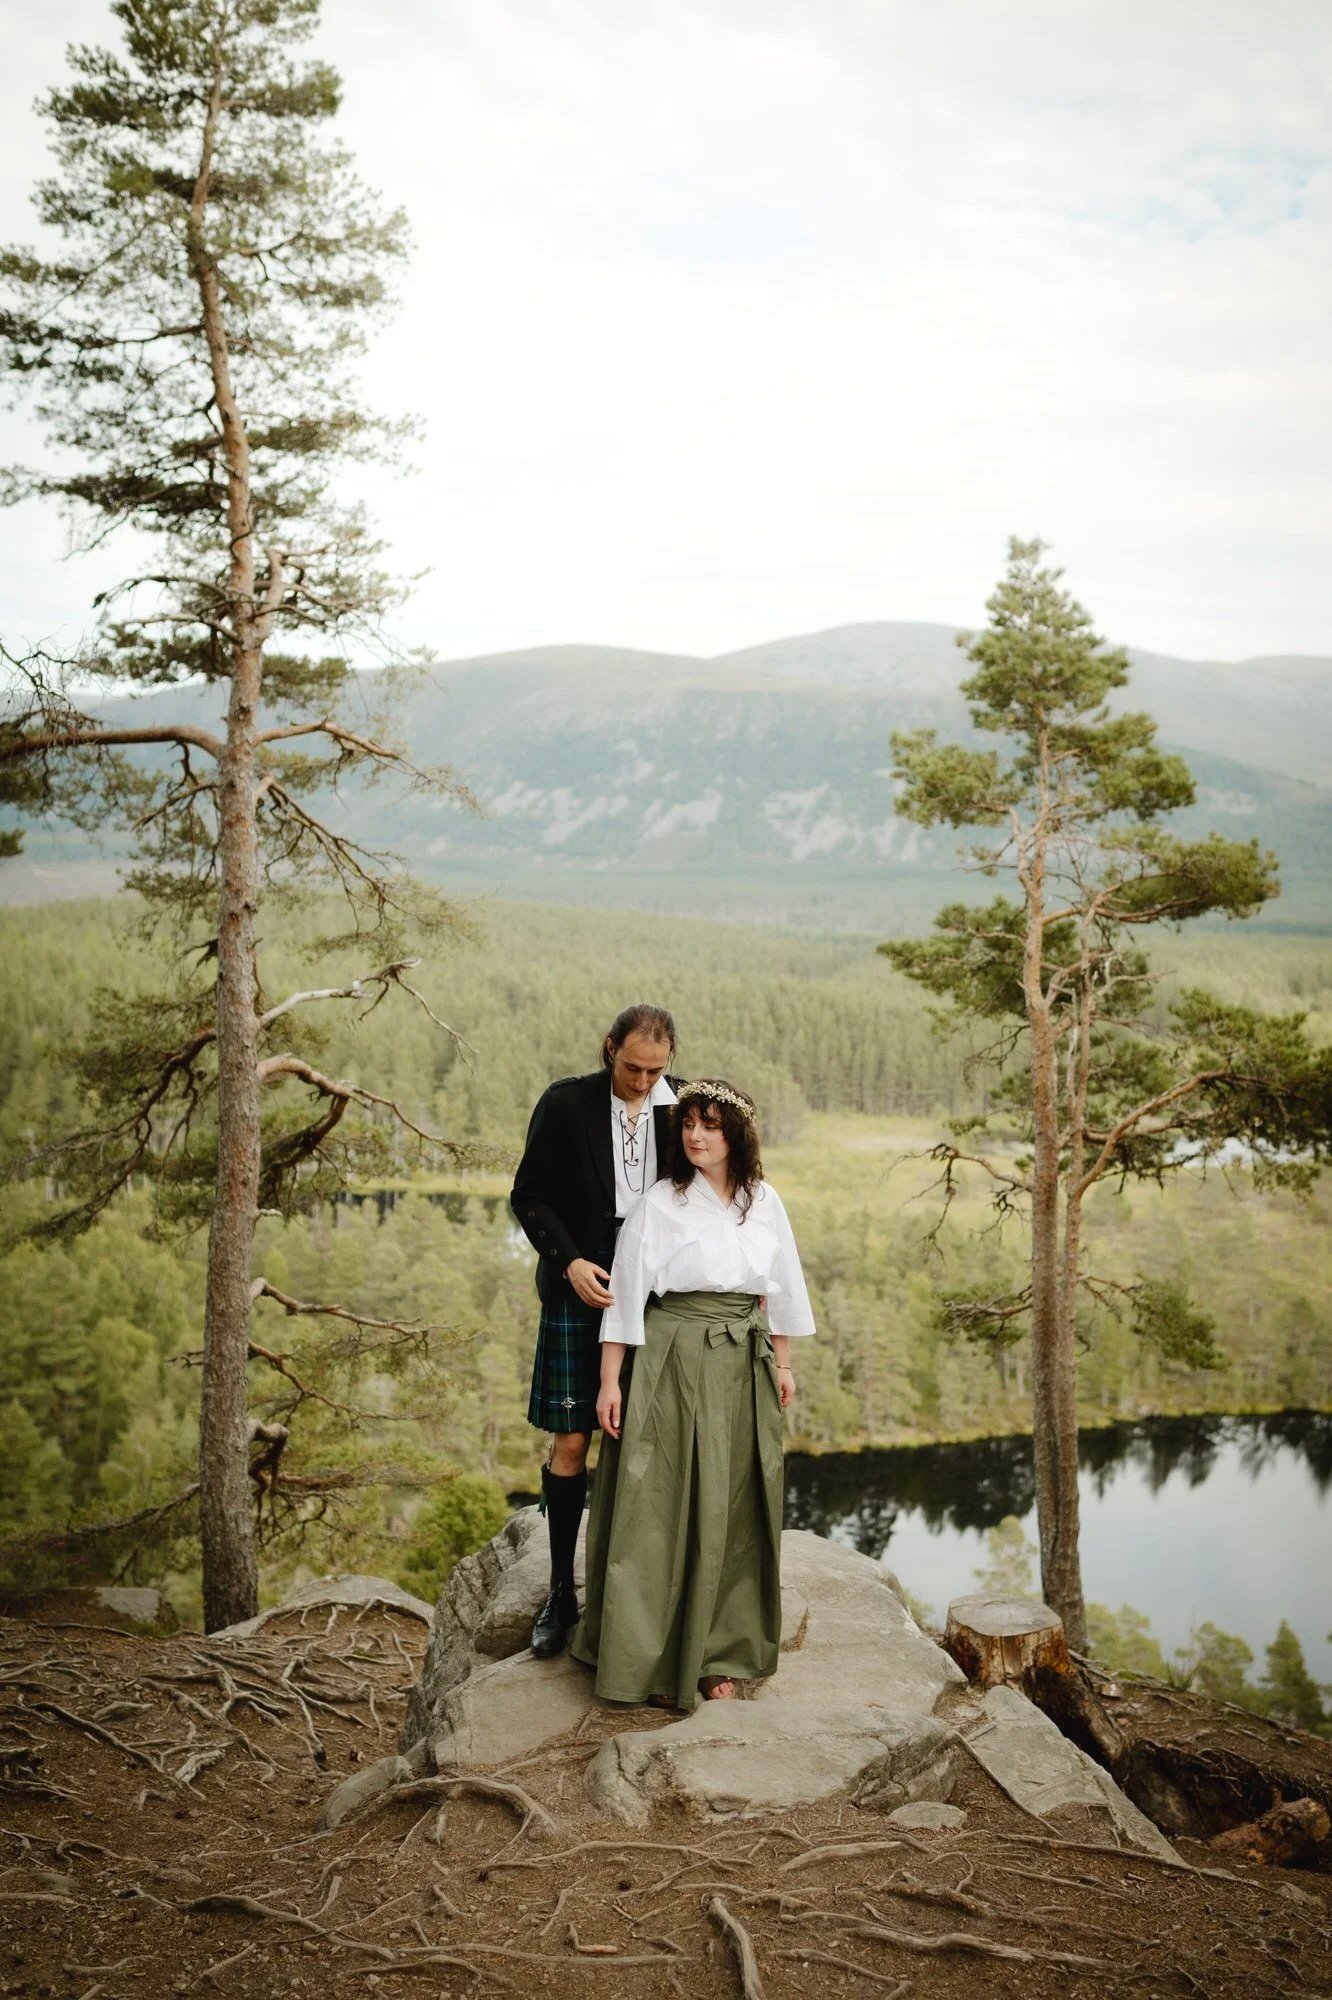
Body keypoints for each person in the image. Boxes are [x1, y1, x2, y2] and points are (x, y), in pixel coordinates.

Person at [571, 1078, 814, 1710]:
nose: (696, 1136)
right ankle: (645, 1655)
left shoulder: (765, 1202)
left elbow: (781, 1288)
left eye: (710, 1125)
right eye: (687, 1125)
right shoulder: (661, 1202)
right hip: (673, 1356)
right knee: (661, 1501)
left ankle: (719, 1652)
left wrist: (782, 1364)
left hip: (745, 1360)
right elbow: (625, 1293)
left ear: (737, 1134)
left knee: (735, 1503)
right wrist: (608, 1382)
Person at [510, 1003, 680, 1658]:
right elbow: (529, 1194)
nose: (643, 1081)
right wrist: (571, 1261)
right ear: (609, 1048)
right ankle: (560, 1589)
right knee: (574, 1439)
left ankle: (641, 1592)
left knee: (649, 1440)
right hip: (582, 1284)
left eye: (655, 1070)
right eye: (633, 1067)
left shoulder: (682, 1107)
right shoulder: (566, 1104)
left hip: (660, 1292)